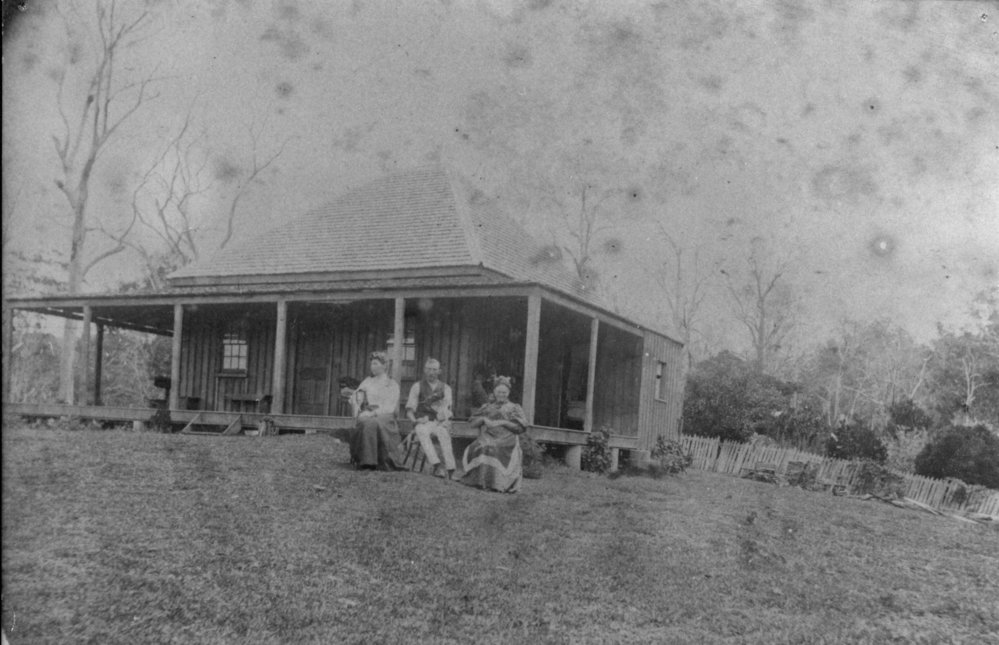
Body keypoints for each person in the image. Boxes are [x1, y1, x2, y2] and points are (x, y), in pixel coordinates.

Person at [460, 376, 527, 493]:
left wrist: (503, 422)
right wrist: (484, 420)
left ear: (508, 393)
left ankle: (497, 484)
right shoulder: (487, 407)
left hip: (507, 438)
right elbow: (472, 423)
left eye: (504, 392)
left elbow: (520, 429)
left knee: (494, 448)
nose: (502, 395)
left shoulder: (514, 407)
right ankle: (479, 481)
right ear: (494, 392)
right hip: (489, 436)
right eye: (499, 392)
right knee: (478, 446)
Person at [348, 351, 405, 470]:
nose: (372, 366)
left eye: (375, 363)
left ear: (384, 366)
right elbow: (356, 395)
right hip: (369, 412)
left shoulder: (392, 384)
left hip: (385, 416)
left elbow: (389, 407)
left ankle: (373, 461)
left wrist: (372, 413)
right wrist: (357, 405)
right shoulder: (368, 381)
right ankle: (363, 459)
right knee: (365, 421)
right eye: (371, 364)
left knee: (371, 423)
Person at [405, 358, 457, 480]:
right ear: (424, 370)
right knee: (421, 430)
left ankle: (450, 468)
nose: (431, 372)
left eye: (434, 369)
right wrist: (415, 421)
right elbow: (409, 411)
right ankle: (436, 464)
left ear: (439, 371)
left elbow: (447, 410)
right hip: (423, 422)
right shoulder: (417, 386)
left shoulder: (446, 388)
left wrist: (444, 421)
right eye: (429, 369)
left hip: (439, 422)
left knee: (443, 433)